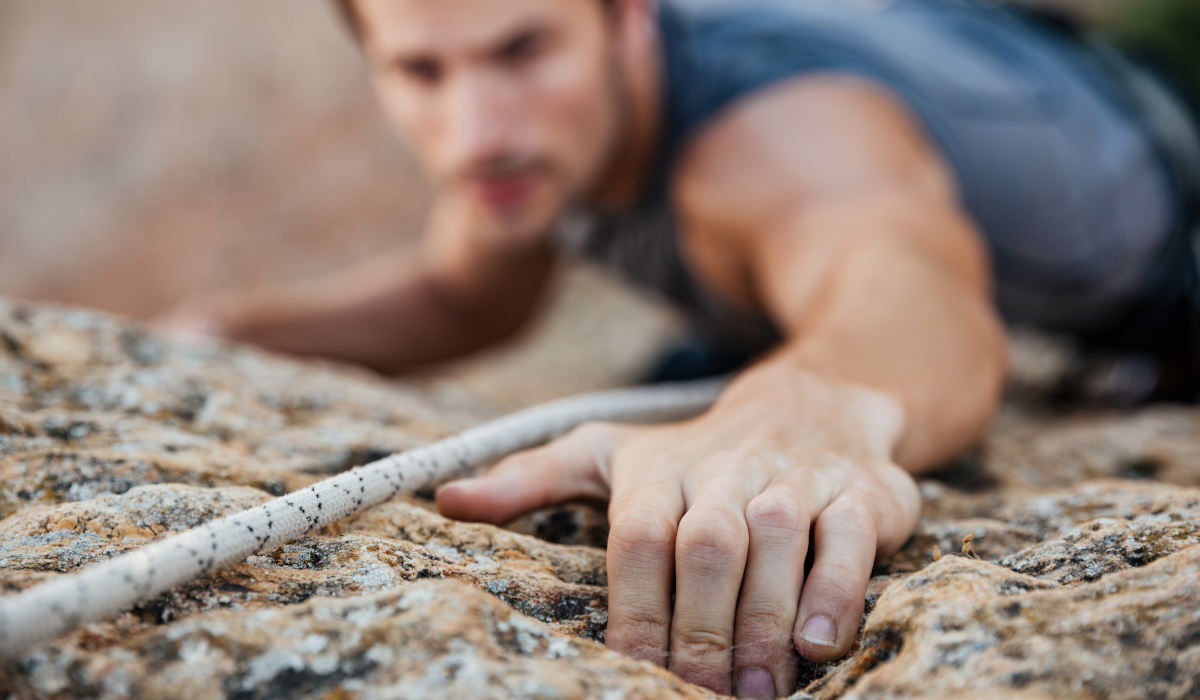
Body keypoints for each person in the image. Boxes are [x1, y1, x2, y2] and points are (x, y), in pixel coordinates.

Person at [165, 0, 1200, 696]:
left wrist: (806, 410)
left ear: (631, 20)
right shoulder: (528, 147)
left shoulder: (771, 140)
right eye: (420, 70)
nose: (475, 129)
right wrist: (221, 332)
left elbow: (911, 282)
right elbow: (463, 299)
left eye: (522, 49)